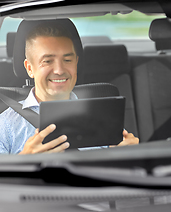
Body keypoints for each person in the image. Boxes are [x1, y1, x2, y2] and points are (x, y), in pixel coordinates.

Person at [0, 22, 139, 154]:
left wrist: (131, 155)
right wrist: (24, 159)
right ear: (30, 68)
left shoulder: (103, 116)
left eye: (67, 60)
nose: (59, 70)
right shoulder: (5, 125)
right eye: (47, 61)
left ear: (76, 63)